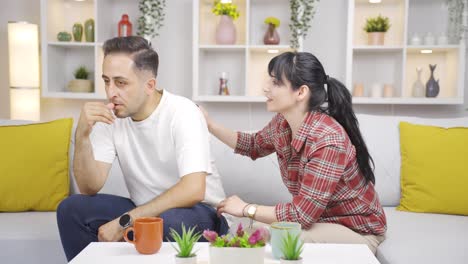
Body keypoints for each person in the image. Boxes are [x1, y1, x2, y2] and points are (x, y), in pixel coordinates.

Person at [57, 36, 228, 261]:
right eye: (106, 81)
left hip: (202, 213)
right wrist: (82, 135)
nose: (110, 92)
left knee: (167, 223)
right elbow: (89, 187)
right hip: (144, 209)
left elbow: (193, 190)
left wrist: (125, 221)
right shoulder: (113, 116)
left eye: (121, 82)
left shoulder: (183, 112)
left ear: (149, 85)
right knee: (71, 209)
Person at [201, 51, 387, 254]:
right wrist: (210, 124)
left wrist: (247, 209)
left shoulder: (328, 140)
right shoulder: (283, 123)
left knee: (272, 237)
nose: (266, 88)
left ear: (301, 92)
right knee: (253, 231)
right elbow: (252, 144)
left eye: (276, 83)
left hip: (356, 231)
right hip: (321, 221)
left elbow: (301, 215)